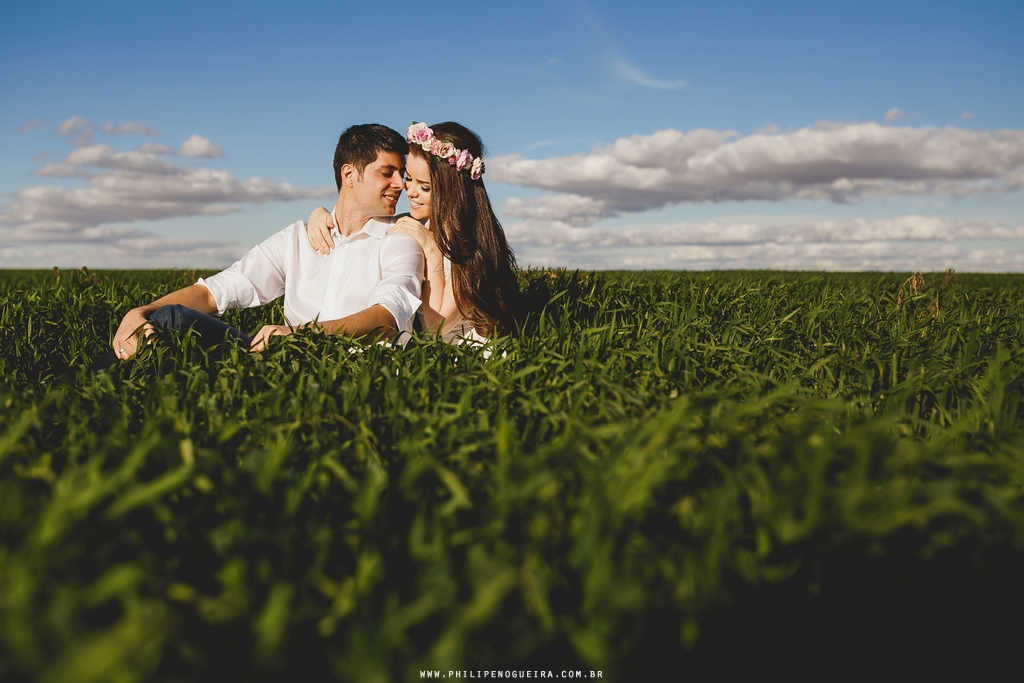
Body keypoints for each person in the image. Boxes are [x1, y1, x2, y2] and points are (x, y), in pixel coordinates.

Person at [100, 124, 423, 367]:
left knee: (170, 324)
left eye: (401, 174)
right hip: (277, 367)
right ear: (349, 174)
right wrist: (140, 312)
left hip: (354, 377)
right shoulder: (298, 238)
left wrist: (299, 335)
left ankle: (74, 399)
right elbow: (214, 292)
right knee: (167, 322)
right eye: (388, 173)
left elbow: (388, 314)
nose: (401, 184)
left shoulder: (400, 238)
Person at [305, 122, 519, 344]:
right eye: (409, 178)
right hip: (431, 354)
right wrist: (319, 213)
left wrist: (431, 250)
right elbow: (359, 216)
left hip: (470, 355)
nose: (410, 191)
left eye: (424, 187)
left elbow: (437, 325)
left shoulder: (467, 242)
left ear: (452, 190)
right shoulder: (421, 223)